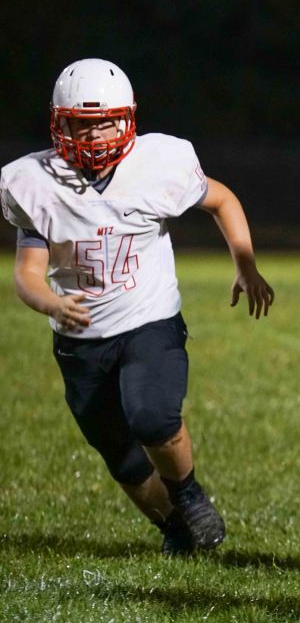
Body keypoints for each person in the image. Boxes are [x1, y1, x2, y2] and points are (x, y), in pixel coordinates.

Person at [1, 58, 275, 556]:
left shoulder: (157, 163)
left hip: (148, 319)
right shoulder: (32, 182)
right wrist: (52, 303)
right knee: (122, 458)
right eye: (82, 123)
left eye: (106, 121)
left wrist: (246, 264)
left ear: (127, 119)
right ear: (60, 124)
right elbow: (27, 273)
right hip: (80, 339)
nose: (96, 134)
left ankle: (188, 494)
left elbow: (221, 200)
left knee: (151, 415)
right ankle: (174, 527)